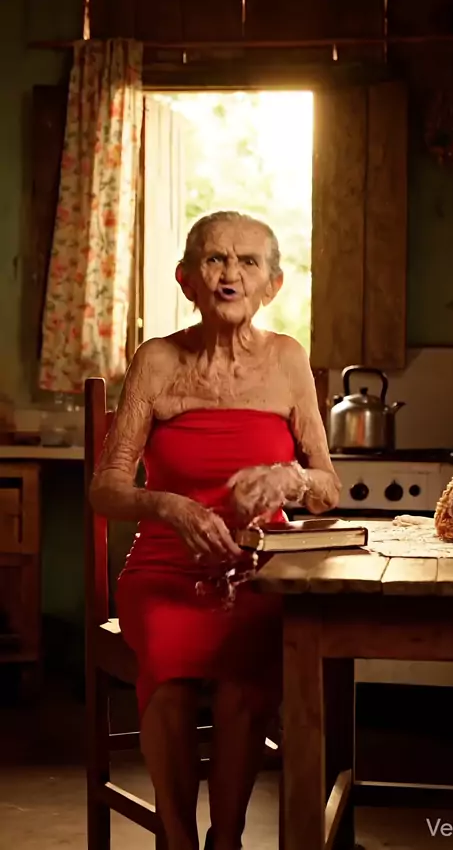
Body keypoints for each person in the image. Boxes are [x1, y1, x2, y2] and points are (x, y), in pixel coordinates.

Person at [90, 210, 340, 850]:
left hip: (259, 570)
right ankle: (177, 840)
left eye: (248, 262)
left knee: (243, 685)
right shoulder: (157, 360)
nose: (231, 274)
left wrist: (289, 477)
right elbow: (106, 487)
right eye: (215, 259)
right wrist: (172, 507)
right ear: (186, 279)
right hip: (164, 568)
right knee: (171, 679)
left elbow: (327, 487)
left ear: (272, 286)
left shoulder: (288, 360)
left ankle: (225, 840)